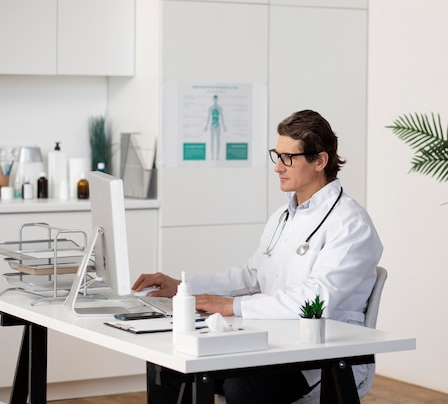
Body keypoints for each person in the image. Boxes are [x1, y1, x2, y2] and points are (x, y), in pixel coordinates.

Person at [133, 109, 383, 404]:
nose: (278, 167)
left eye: (288, 157)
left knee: (244, 386)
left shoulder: (350, 224)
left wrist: (232, 306)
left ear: (320, 160)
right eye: (276, 155)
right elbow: (250, 275)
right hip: (273, 340)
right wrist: (184, 287)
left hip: (323, 355)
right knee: (170, 364)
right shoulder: (283, 216)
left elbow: (316, 300)